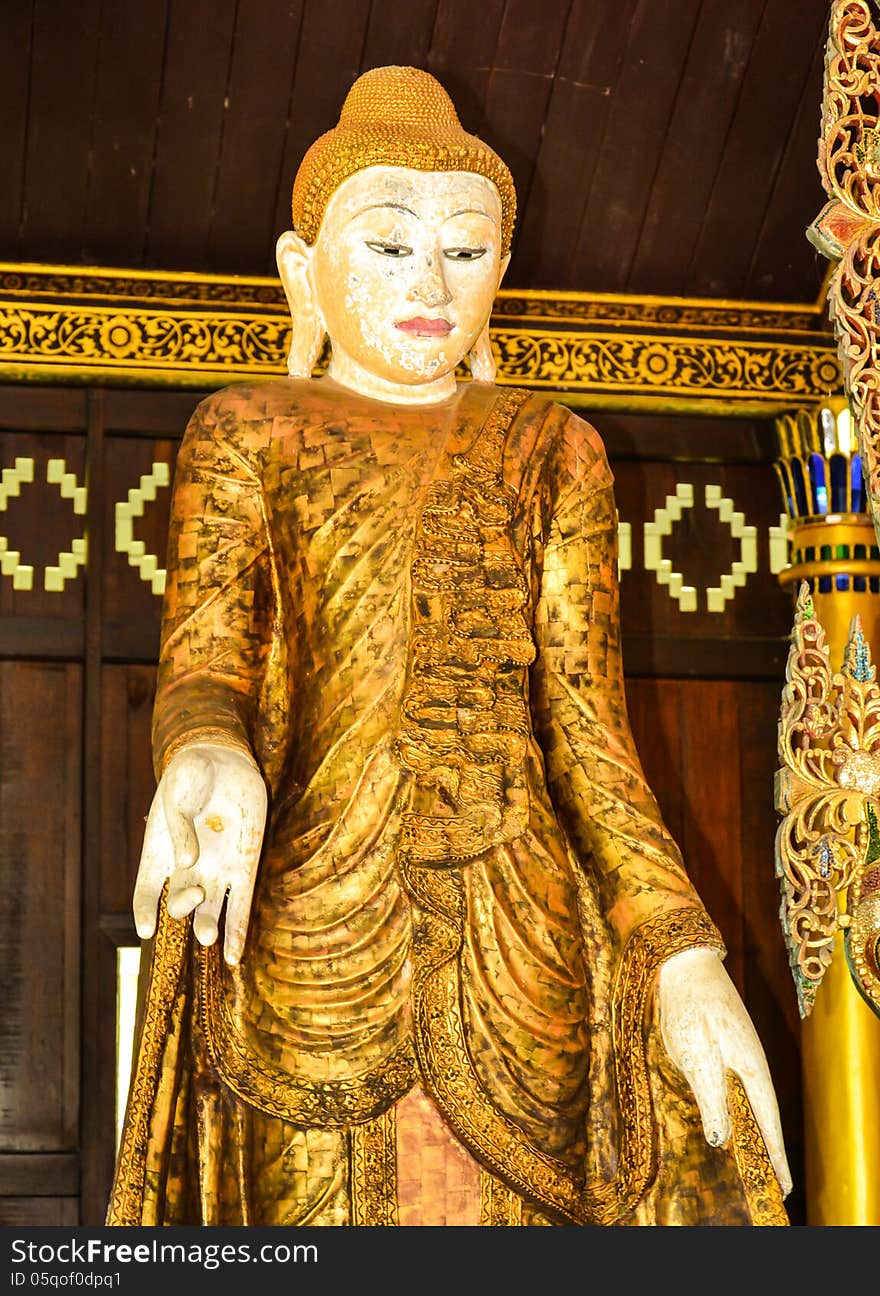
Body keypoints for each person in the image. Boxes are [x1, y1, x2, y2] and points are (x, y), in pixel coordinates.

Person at [108, 65, 791, 1227]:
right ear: (300, 271)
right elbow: (208, 658)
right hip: (304, 937)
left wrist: (682, 955)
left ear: (501, 278)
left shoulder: (552, 447)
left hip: (524, 955)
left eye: (464, 251)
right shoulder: (248, 430)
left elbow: (586, 734)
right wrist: (204, 745)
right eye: (385, 244)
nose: (428, 278)